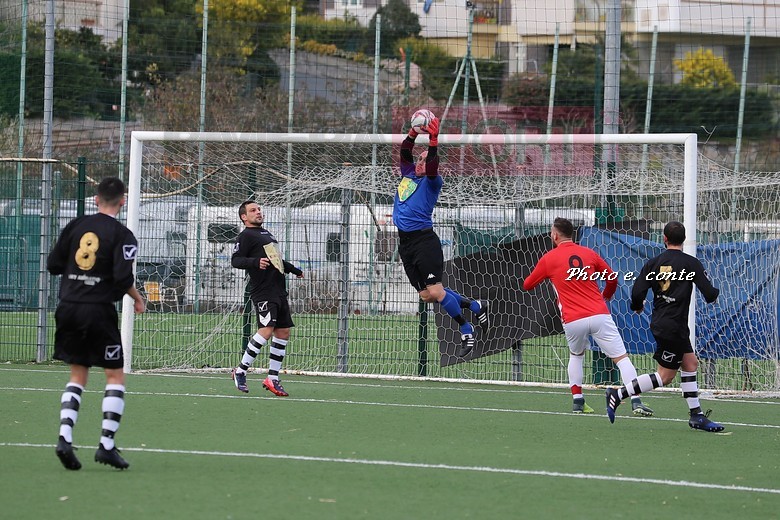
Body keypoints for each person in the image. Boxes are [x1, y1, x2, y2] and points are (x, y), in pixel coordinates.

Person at [47, 176, 146, 471]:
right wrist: (137, 298)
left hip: (68, 307)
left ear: (96, 199)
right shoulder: (123, 235)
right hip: (98, 311)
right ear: (123, 201)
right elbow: (122, 278)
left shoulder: (76, 226)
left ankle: (65, 438)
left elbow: (53, 264)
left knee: (78, 375)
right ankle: (106, 445)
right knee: (114, 376)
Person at [522, 217, 653, 415]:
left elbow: (527, 285)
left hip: (573, 319)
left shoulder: (549, 258)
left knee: (576, 356)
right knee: (621, 359)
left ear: (555, 235)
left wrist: (552, 277)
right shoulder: (589, 253)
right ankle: (636, 401)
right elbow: (612, 278)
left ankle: (578, 401)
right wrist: (606, 296)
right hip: (599, 314)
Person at [605, 221, 724, 431]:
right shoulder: (691, 263)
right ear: (684, 239)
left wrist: (637, 306)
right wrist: (714, 295)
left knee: (690, 364)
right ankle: (619, 393)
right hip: (673, 327)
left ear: (664, 239)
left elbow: (637, 292)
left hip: (666, 323)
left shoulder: (653, 263)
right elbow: (709, 293)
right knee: (665, 376)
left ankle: (696, 416)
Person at [394, 111, 488, 358]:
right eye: (420, 159)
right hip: (405, 245)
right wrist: (413, 133)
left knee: (436, 291)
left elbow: (433, 165)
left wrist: (433, 141)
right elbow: (405, 151)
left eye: (425, 160)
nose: (421, 162)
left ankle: (466, 329)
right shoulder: (408, 175)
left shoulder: (433, 182)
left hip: (424, 241)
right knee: (427, 295)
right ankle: (475, 305)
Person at [230, 200, 303, 396]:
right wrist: (255, 262)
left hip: (278, 289)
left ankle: (272, 378)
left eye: (259, 209)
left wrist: (294, 270)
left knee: (283, 332)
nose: (258, 212)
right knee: (266, 330)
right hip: (263, 291)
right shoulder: (246, 235)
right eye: (253, 210)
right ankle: (240, 371)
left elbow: (276, 259)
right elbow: (235, 260)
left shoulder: (266, 234)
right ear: (244, 217)